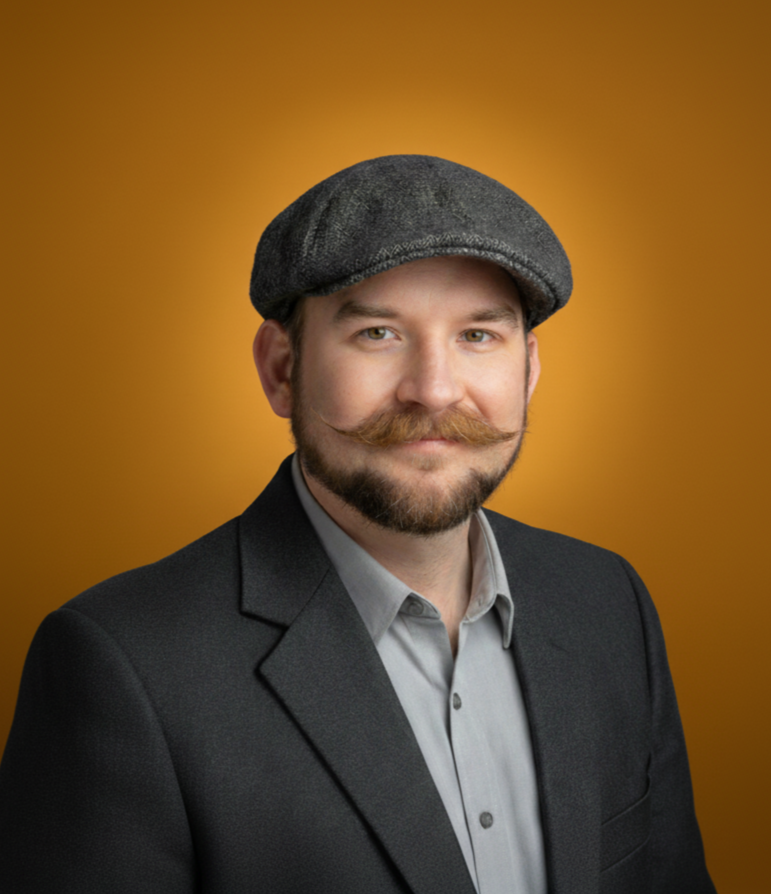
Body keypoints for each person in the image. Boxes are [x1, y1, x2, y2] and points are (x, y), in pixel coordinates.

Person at [0, 155, 716, 893]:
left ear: (528, 370)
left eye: (478, 336)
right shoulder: (121, 667)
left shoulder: (607, 601)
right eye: (377, 333)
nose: (433, 392)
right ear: (282, 368)